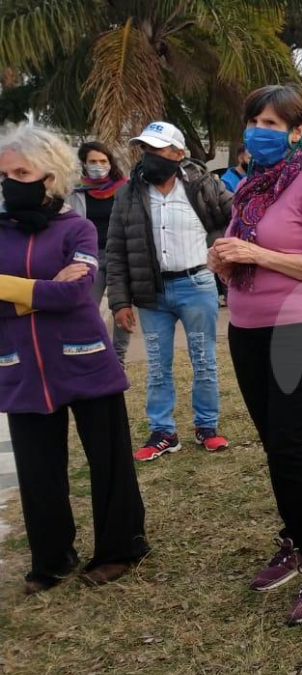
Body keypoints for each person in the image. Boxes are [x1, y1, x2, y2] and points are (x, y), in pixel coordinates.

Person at [206, 85, 302, 624]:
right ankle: (294, 538)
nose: (259, 131)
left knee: (288, 445)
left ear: (297, 132)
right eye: (253, 121)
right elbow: (241, 246)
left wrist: (257, 253)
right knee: (275, 445)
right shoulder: (249, 187)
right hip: (248, 328)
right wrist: (224, 257)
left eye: (272, 123)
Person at [0, 125, 150, 593]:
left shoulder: (78, 227)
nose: (9, 182)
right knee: (38, 470)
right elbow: (57, 290)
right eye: (3, 173)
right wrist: (41, 291)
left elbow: (75, 290)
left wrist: (12, 290)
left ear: (50, 177)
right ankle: (51, 558)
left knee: (108, 462)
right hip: (22, 369)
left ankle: (121, 548)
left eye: (21, 172)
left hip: (83, 361)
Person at [106, 121, 233, 461]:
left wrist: (223, 254)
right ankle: (163, 432)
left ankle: (207, 427)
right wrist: (119, 301)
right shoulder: (129, 193)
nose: (149, 157)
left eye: (157, 150)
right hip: (152, 294)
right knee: (157, 366)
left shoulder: (204, 186)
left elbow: (237, 219)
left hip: (197, 286)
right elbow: (116, 250)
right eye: (145, 150)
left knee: (204, 361)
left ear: (178, 154)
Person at [68, 140, 131, 365]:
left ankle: (118, 359)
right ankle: (94, 355)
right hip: (89, 258)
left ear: (110, 163)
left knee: (121, 308)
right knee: (86, 309)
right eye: (93, 161)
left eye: (103, 161)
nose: (98, 165)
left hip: (119, 256)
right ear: (84, 164)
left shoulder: (124, 188)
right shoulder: (75, 192)